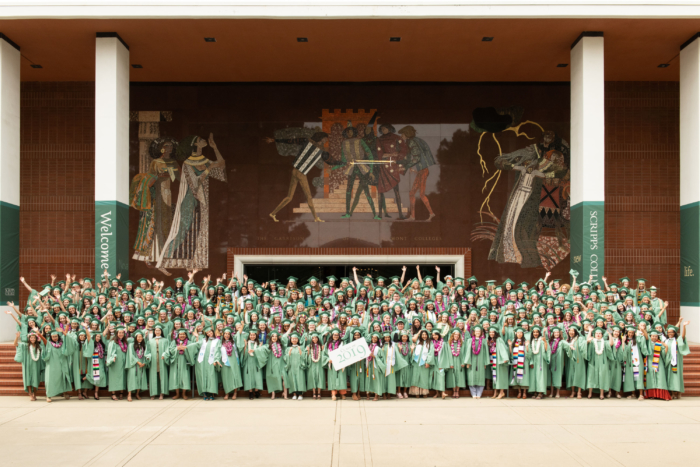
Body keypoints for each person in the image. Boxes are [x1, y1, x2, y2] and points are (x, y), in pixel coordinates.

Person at [266, 131, 331, 223]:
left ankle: (273, 213)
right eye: (325, 138)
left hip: (295, 171)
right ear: (321, 137)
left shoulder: (317, 147)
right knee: (308, 197)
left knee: (289, 197)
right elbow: (291, 141)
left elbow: (292, 141)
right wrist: (275, 140)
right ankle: (316, 218)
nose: (325, 140)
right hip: (300, 173)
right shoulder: (312, 144)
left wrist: (274, 140)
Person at [398, 125, 436, 221]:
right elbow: (411, 155)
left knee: (419, 194)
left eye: (402, 134)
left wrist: (406, 166)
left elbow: (416, 158)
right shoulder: (414, 140)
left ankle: (429, 214)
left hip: (422, 171)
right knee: (413, 194)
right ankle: (414, 216)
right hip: (422, 170)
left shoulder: (411, 142)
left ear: (406, 134)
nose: (401, 136)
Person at [13, 330, 42, 401]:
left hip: (36, 365)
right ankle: (30, 394)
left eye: (34, 338)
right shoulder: (25, 346)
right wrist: (17, 337)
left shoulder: (39, 347)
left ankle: (35, 393)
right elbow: (15, 344)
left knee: (35, 378)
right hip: (27, 364)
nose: (32, 339)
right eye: (31, 338)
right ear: (29, 338)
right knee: (28, 379)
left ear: (36, 339)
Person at [145, 324, 170, 400]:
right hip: (153, 360)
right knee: (153, 376)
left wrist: (164, 354)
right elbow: (147, 351)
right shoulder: (150, 341)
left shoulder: (165, 340)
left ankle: (162, 393)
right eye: (156, 330)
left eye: (159, 330)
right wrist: (148, 356)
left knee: (161, 376)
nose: (157, 331)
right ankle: (153, 393)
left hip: (161, 359)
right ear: (154, 331)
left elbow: (167, 350)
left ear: (161, 331)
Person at [169, 329, 193, 400]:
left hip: (184, 360)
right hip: (176, 360)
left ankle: (183, 394)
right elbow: (171, 350)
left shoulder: (189, 342)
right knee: (176, 377)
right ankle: (177, 394)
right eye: (180, 334)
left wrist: (186, 348)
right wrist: (177, 348)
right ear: (178, 335)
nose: (182, 335)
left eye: (183, 334)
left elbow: (192, 350)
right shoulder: (174, 342)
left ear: (186, 335)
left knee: (184, 377)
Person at [107, 326, 129, 401]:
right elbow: (111, 352)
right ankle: (113, 394)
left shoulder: (124, 342)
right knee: (114, 378)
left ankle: (121, 393)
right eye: (119, 332)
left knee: (122, 377)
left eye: (122, 333)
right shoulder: (113, 341)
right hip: (115, 363)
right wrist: (113, 357)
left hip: (122, 363)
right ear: (117, 333)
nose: (121, 334)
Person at [126, 331, 149, 402]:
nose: (139, 338)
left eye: (141, 337)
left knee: (140, 379)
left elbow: (146, 354)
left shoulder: (143, 346)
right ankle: (129, 395)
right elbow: (131, 355)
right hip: (133, 365)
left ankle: (137, 394)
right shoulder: (131, 345)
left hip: (141, 365)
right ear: (135, 338)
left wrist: (144, 362)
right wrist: (138, 362)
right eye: (138, 337)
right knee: (132, 379)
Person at [285, 332, 307, 400]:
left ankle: (300, 394)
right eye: (293, 339)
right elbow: (285, 358)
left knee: (300, 380)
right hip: (291, 366)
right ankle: (294, 394)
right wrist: (288, 353)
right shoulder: (288, 348)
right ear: (291, 340)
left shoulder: (301, 347)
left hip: (299, 366)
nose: (294, 340)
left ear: (298, 340)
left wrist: (300, 351)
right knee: (292, 380)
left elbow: (304, 357)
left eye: (295, 339)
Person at [445, 329, 466, 399]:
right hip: (452, 362)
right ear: (452, 335)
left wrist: (463, 362)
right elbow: (448, 354)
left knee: (459, 377)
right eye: (455, 334)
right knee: (453, 377)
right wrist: (450, 363)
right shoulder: (449, 343)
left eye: (458, 335)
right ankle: (454, 391)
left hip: (459, 362)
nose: (456, 336)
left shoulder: (462, 343)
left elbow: (463, 354)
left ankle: (457, 391)